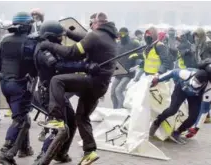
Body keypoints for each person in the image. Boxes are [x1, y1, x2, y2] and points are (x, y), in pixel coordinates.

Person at [38, 12, 118, 164]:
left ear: (96, 23)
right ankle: (90, 151)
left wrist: (50, 45)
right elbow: (84, 39)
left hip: (91, 81)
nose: (89, 26)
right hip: (101, 86)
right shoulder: (109, 37)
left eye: (90, 23)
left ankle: (56, 118)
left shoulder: (95, 36)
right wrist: (66, 32)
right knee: (81, 117)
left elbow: (72, 53)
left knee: (57, 81)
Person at [33, 20, 92, 164]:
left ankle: (60, 153)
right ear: (50, 36)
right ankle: (43, 155)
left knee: (71, 122)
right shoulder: (43, 50)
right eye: (59, 36)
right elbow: (59, 66)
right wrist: (84, 67)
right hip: (48, 93)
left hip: (58, 92)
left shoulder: (52, 47)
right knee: (58, 126)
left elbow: (69, 54)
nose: (61, 38)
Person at [0, 12, 38, 164]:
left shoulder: (5, 41)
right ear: (28, 26)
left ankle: (25, 148)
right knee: (20, 120)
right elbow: (34, 66)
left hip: (5, 84)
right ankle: (5, 151)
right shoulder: (30, 42)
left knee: (22, 116)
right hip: (20, 85)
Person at [149, 68, 211, 144]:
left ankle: (177, 133)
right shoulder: (185, 74)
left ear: (204, 83)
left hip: (195, 97)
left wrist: (196, 128)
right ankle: (157, 122)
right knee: (172, 110)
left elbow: (204, 110)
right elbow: (171, 73)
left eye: (198, 83)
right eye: (195, 81)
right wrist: (158, 79)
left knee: (194, 117)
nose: (195, 84)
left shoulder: (208, 89)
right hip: (181, 90)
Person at [111, 27, 140, 109]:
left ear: (127, 33)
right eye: (120, 34)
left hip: (129, 72)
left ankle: (121, 110)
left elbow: (141, 55)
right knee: (112, 92)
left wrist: (137, 66)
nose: (122, 36)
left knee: (118, 90)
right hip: (118, 71)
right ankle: (115, 110)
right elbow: (115, 57)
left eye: (123, 34)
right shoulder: (118, 44)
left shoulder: (134, 43)